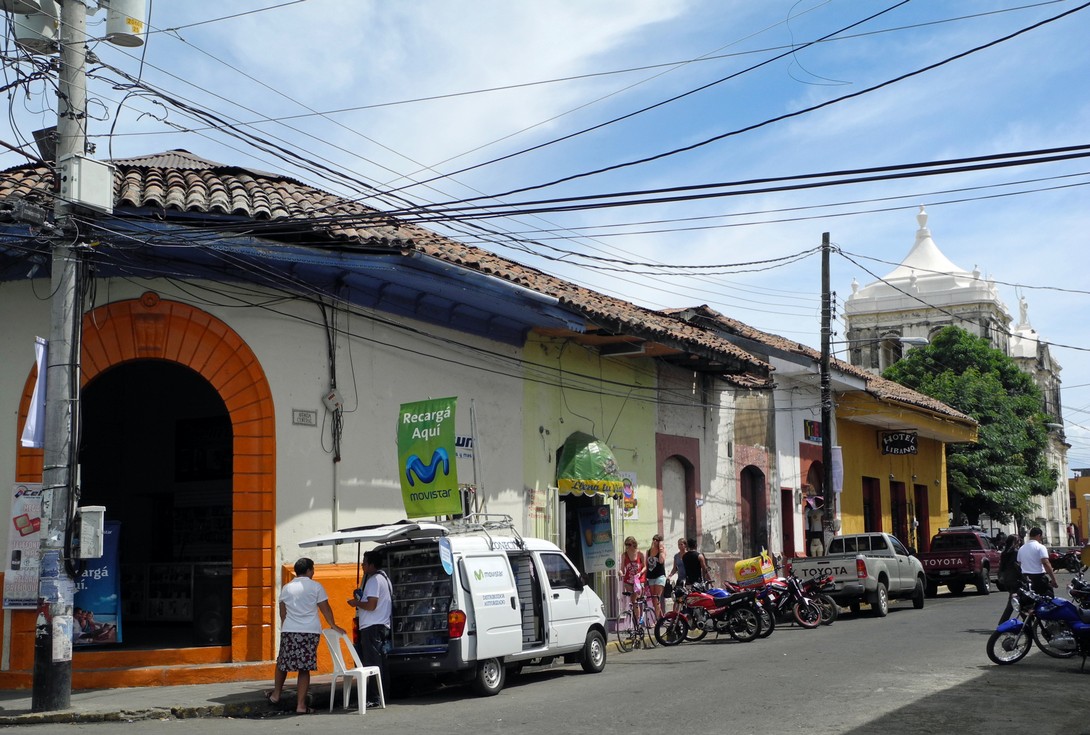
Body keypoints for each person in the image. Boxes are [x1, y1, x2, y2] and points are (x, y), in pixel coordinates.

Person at [267, 557, 344, 714]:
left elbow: (282, 613)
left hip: (289, 630)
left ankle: (276, 695)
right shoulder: (316, 587)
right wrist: (333, 625)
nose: (313, 572)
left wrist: (286, 627)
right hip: (309, 632)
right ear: (309, 570)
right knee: (304, 668)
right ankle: (301, 705)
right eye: (313, 569)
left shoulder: (286, 588)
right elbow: (325, 608)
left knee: (282, 663)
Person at [349, 549, 393, 706]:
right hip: (379, 625)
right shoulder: (383, 578)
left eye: (365, 562)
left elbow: (372, 605)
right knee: (379, 662)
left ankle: (375, 697)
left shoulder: (374, 580)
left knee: (372, 664)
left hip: (372, 626)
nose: (362, 565)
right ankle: (382, 695)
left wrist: (356, 603)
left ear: (372, 564)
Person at [1016, 527, 1058, 597]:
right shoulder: (1040, 547)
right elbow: (1046, 563)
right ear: (1039, 535)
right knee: (1048, 598)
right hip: (1038, 578)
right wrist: (1053, 579)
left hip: (1025, 578)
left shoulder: (1021, 548)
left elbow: (1020, 563)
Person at [997, 535, 1023, 623]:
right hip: (1015, 579)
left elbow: (1001, 566)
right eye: (1018, 541)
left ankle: (1027, 621)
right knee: (1013, 602)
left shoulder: (1004, 553)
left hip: (1007, 579)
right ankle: (1002, 622)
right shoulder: (1015, 552)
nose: (1019, 542)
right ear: (1015, 542)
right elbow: (1017, 566)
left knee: (1019, 600)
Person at [619, 536, 645, 616]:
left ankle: (638, 623)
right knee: (633, 600)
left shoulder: (640, 554)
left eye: (629, 544)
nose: (627, 546)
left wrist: (640, 573)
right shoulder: (624, 555)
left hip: (638, 580)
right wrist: (620, 572)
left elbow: (645, 566)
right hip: (628, 580)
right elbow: (622, 568)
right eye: (626, 544)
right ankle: (634, 621)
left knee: (635, 600)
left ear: (634, 544)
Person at [644, 535, 666, 619]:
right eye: (653, 539)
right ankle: (661, 618)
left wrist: (661, 549)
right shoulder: (648, 551)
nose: (654, 541)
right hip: (651, 577)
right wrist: (645, 578)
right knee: (653, 600)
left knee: (656, 598)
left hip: (660, 576)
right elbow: (646, 565)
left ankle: (657, 620)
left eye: (657, 540)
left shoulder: (662, 551)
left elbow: (661, 560)